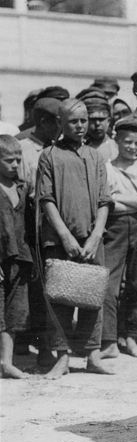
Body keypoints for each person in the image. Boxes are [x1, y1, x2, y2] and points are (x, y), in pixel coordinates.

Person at [36, 98, 113, 378]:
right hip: (60, 238)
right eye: (73, 121)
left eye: (84, 120)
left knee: (94, 295)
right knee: (59, 299)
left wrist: (95, 236)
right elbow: (46, 199)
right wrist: (65, 236)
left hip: (92, 237)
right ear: (61, 123)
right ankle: (63, 356)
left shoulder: (96, 156)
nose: (80, 126)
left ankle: (92, 355)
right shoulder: (50, 156)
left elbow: (105, 200)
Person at [101, 118, 137, 359]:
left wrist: (120, 197)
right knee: (109, 284)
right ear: (117, 140)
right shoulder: (106, 167)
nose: (132, 147)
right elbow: (107, 205)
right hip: (114, 228)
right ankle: (109, 340)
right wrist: (130, 202)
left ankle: (132, 336)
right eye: (127, 142)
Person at [0, 135, 32, 379]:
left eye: (17, 160)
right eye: (8, 160)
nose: (14, 164)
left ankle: (6, 362)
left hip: (19, 256)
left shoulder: (22, 187)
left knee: (13, 311)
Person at [16, 97, 60, 194]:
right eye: (59, 122)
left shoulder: (58, 148)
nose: (62, 128)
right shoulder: (21, 150)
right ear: (43, 122)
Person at [82, 91, 118, 163]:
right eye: (92, 119)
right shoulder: (79, 147)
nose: (97, 123)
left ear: (108, 121)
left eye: (101, 119)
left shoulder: (116, 148)